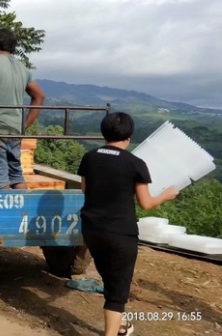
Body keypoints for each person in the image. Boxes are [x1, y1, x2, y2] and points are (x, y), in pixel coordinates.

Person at [77, 112, 179, 336]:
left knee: (110, 280)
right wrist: (166, 195)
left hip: (92, 230)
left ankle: (120, 325)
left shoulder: (90, 157)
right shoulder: (135, 163)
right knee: (117, 292)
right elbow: (146, 203)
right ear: (130, 136)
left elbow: (85, 189)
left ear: (104, 133)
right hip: (120, 234)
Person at [0, 28, 46, 190]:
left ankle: (7, 214)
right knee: (16, 174)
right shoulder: (22, 68)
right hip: (15, 131)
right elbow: (39, 96)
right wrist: (24, 126)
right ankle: (23, 212)